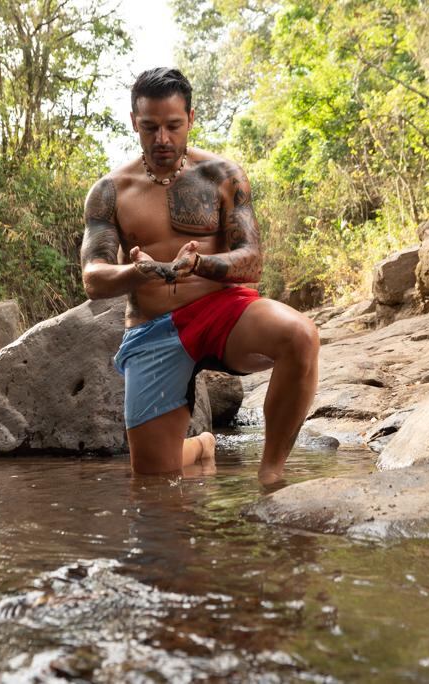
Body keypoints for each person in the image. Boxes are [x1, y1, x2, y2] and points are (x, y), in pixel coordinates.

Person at [81, 67, 319, 484]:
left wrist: (202, 265)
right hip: (152, 327)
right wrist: (137, 273)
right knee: (154, 478)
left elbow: (253, 261)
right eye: (149, 127)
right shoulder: (110, 191)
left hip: (224, 309)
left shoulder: (223, 176)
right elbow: (93, 278)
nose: (162, 140)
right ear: (133, 122)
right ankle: (202, 444)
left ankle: (271, 476)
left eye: (173, 126)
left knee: (301, 335)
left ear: (191, 119)